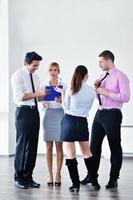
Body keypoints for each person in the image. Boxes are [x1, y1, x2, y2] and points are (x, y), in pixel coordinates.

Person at [81, 50, 130, 189]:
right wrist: (97, 89)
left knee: (114, 147)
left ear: (109, 60)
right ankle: (91, 175)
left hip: (113, 114)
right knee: (93, 147)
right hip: (100, 113)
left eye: (101, 61)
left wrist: (106, 92)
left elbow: (126, 97)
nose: (99, 64)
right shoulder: (102, 76)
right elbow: (100, 97)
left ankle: (113, 179)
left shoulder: (121, 76)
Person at [55, 65, 95, 192]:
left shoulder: (71, 89)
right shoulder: (91, 90)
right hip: (82, 122)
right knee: (87, 153)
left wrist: (61, 93)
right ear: (86, 76)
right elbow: (88, 108)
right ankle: (94, 181)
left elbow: (65, 108)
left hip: (69, 122)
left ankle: (75, 184)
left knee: (70, 154)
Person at [11, 51, 47, 189]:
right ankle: (18, 177)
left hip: (34, 112)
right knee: (22, 144)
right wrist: (39, 93)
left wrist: (46, 96)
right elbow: (19, 97)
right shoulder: (18, 76)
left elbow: (37, 97)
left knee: (32, 146)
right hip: (23, 112)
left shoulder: (36, 77)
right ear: (27, 63)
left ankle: (28, 176)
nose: (36, 68)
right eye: (34, 65)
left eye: (38, 65)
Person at [42, 62, 66, 186]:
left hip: (60, 115)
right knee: (48, 147)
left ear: (58, 72)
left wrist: (61, 100)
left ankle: (58, 174)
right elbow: (40, 100)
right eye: (51, 70)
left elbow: (68, 103)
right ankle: (50, 174)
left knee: (59, 146)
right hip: (48, 115)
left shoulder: (64, 85)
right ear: (48, 72)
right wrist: (43, 104)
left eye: (55, 70)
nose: (53, 72)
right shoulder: (44, 85)